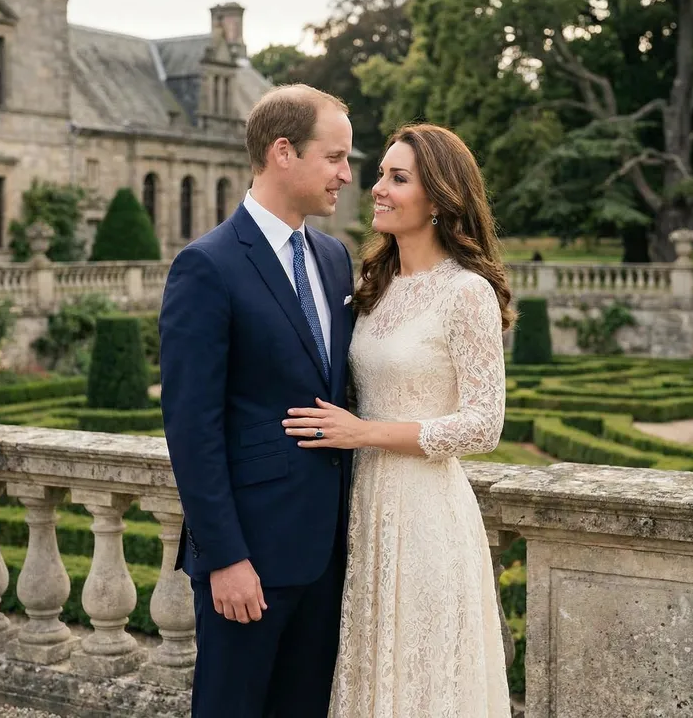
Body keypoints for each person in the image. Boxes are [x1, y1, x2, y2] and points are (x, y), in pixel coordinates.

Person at [284, 123, 515, 717]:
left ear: (438, 198)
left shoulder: (467, 293)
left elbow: (484, 425)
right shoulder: (371, 285)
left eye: (398, 177)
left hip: (426, 513)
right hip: (361, 508)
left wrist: (365, 433)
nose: (377, 188)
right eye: (381, 174)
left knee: (423, 682)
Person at [159, 84, 355, 718]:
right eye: (334, 158)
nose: (346, 175)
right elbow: (192, 428)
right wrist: (226, 559)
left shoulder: (333, 259)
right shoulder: (206, 266)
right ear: (282, 152)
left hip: (326, 554)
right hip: (250, 561)